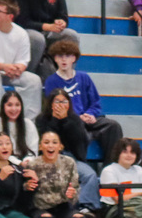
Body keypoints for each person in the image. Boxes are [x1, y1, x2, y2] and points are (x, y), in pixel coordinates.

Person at [43, 39, 124, 167]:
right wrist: (76, 117)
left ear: (74, 58)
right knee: (76, 127)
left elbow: (95, 102)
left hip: (88, 119)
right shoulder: (51, 81)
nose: (64, 59)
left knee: (113, 126)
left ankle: (110, 168)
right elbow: (53, 108)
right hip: (68, 121)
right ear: (55, 59)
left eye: (68, 56)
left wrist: (90, 114)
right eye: (60, 56)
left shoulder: (84, 77)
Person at [34, 87, 102, 213]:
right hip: (49, 158)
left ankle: (85, 207)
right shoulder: (42, 119)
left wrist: (65, 121)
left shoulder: (75, 119)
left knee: (90, 175)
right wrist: (56, 120)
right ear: (50, 103)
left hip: (72, 158)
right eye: (57, 101)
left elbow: (80, 142)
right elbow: (47, 140)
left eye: (64, 101)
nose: (61, 105)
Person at [12, 0, 76, 75]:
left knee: (71, 35)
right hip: (27, 31)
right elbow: (21, 21)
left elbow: (63, 15)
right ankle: (29, 74)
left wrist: (61, 22)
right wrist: (47, 26)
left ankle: (66, 75)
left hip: (50, 31)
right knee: (37, 38)